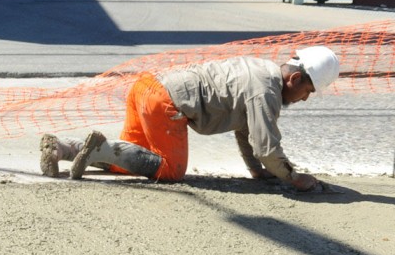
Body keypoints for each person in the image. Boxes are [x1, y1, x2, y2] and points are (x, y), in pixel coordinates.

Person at [40, 47, 340, 192]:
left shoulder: (261, 70)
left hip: (146, 87)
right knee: (170, 170)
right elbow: (265, 144)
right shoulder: (266, 91)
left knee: (132, 159)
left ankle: (63, 148)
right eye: (307, 91)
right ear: (296, 78)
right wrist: (293, 177)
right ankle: (95, 149)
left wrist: (256, 170)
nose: (305, 99)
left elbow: (246, 128)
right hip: (165, 102)